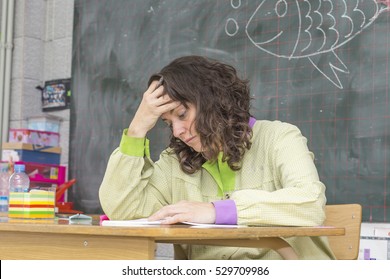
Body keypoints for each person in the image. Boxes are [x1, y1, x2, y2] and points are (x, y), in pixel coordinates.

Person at [99, 55, 336, 260]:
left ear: (212, 100)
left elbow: (310, 203)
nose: (177, 131)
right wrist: (137, 129)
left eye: (182, 114)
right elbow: (123, 210)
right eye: (168, 123)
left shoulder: (279, 137)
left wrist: (217, 211)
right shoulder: (175, 161)